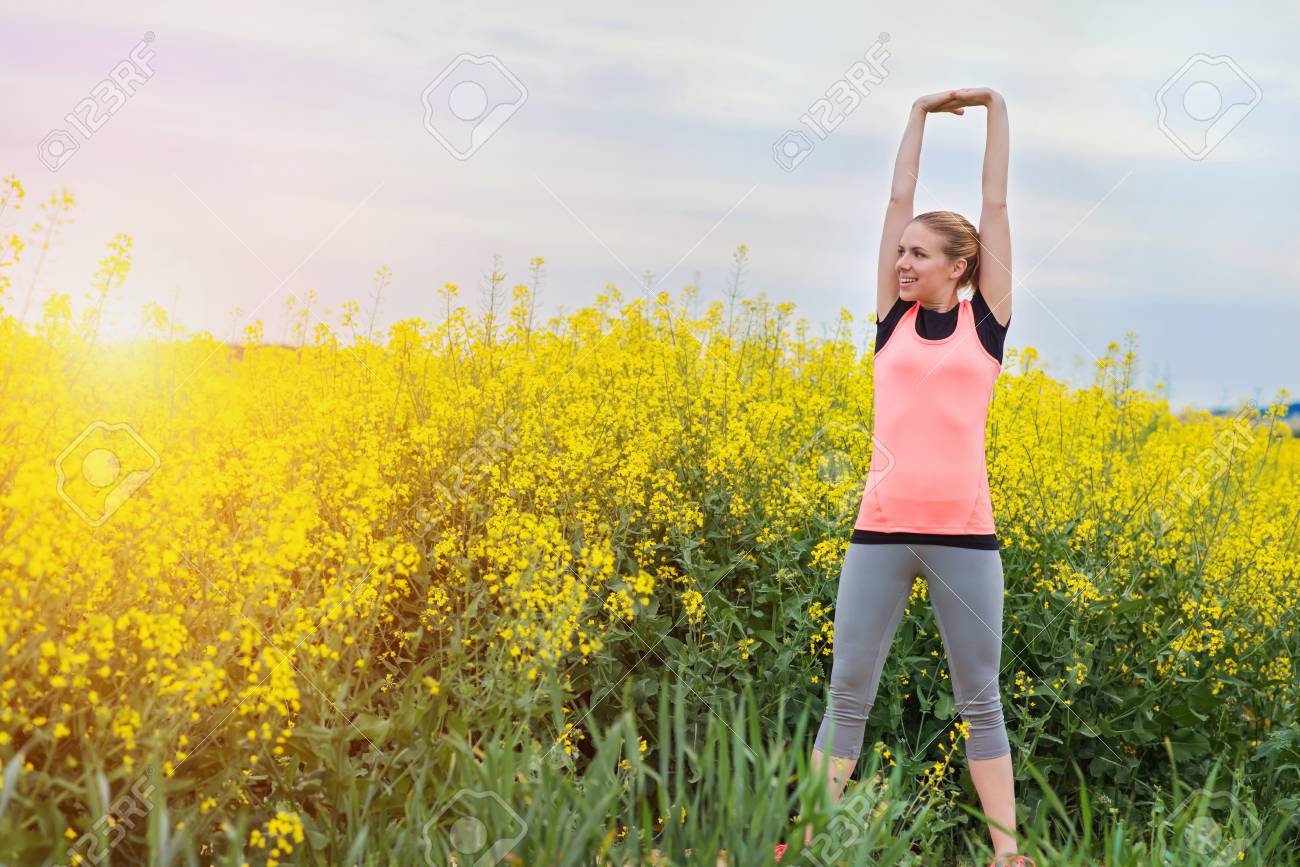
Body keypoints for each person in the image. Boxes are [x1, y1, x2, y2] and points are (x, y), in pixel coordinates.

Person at [777, 88, 1032, 867]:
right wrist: (918, 113)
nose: (902, 261)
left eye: (919, 253)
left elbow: (995, 199)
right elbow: (897, 196)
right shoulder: (889, 322)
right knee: (846, 696)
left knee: (980, 700)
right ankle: (810, 843)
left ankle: (1006, 854)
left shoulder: (985, 323)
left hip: (967, 540)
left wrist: (992, 106)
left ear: (960, 267)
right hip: (880, 533)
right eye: (899, 252)